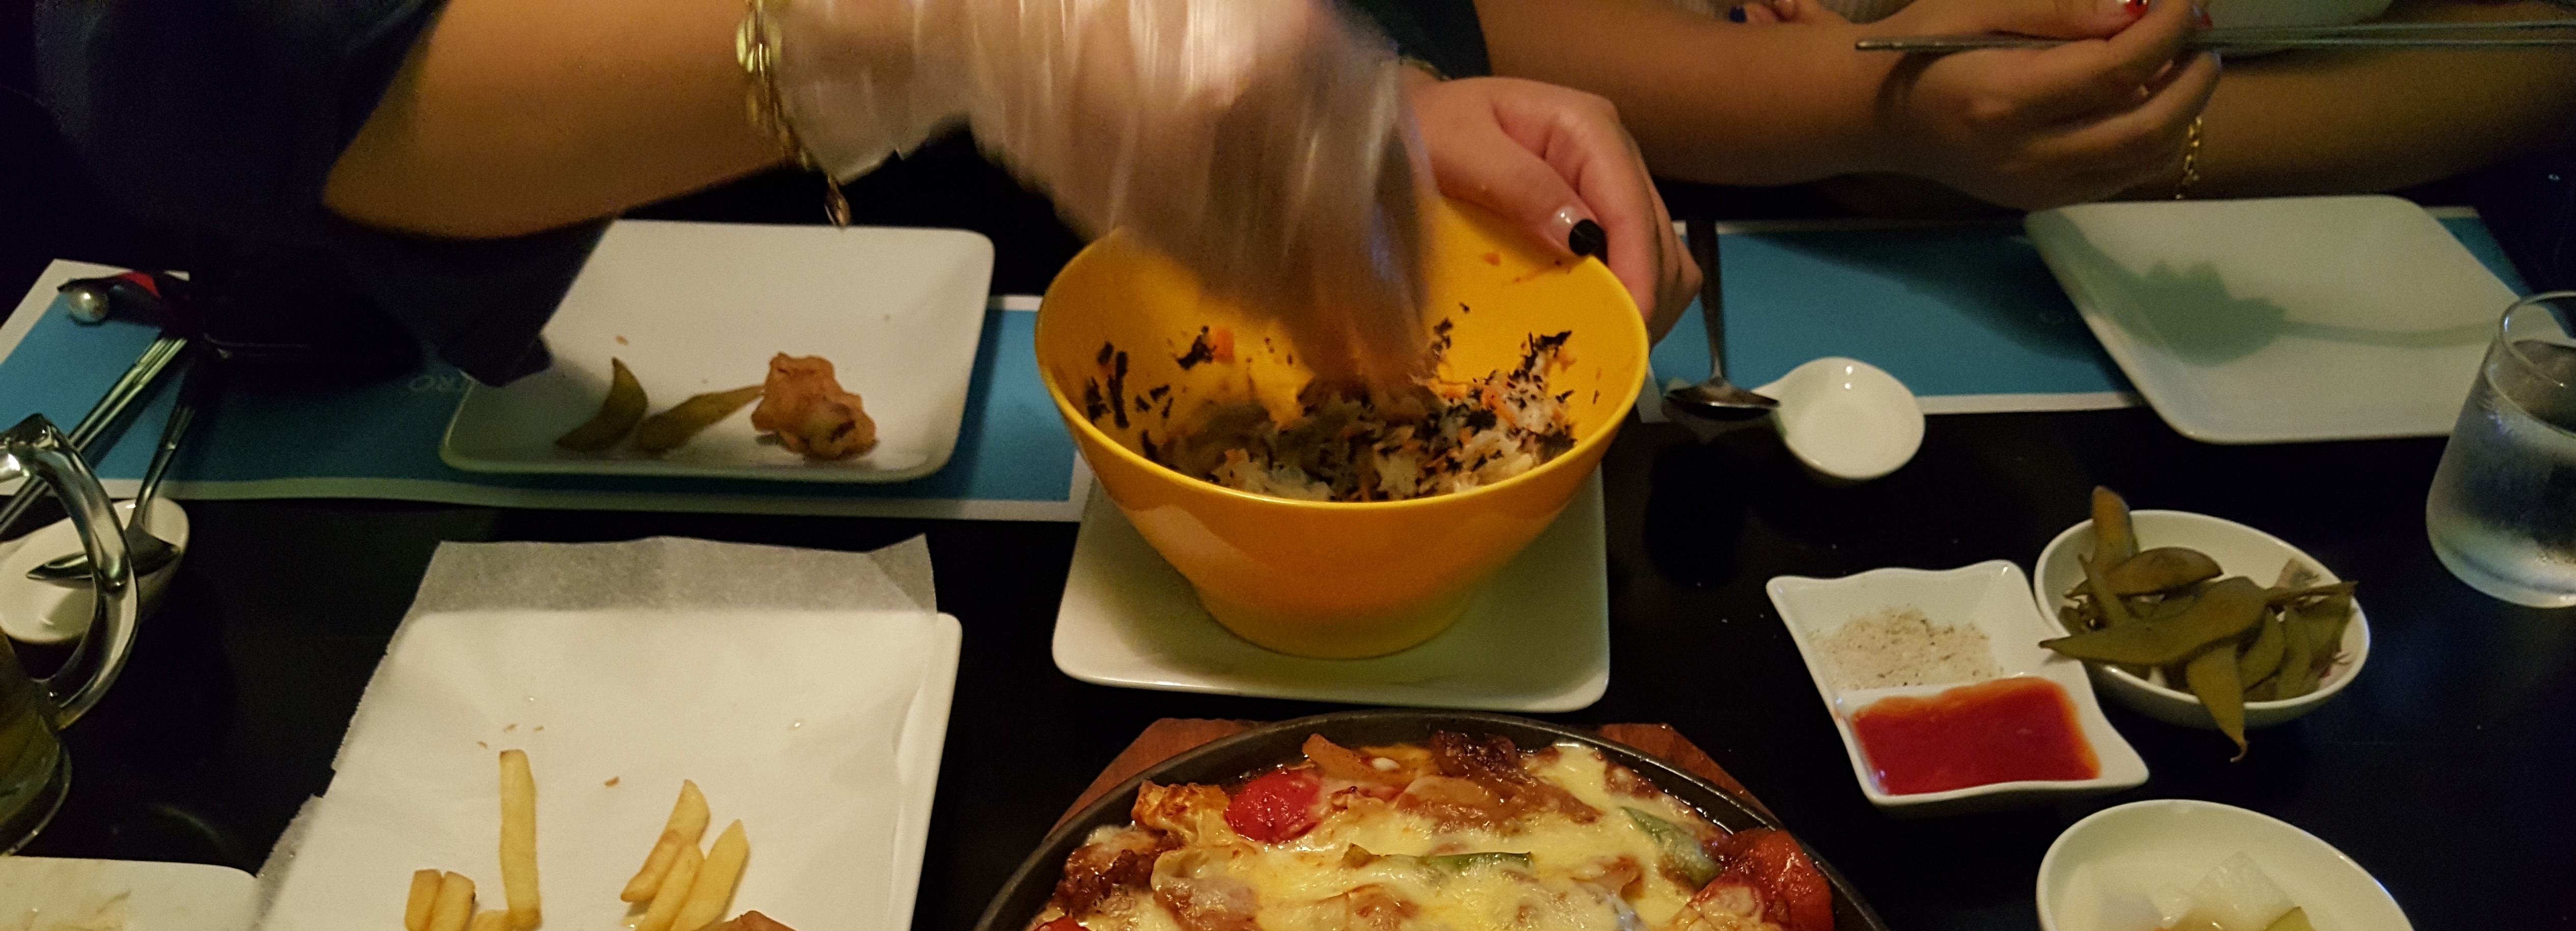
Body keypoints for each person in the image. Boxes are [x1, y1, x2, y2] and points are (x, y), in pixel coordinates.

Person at [36, 0, 1696, 385]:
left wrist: (1363, 87)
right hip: (530, 397)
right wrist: (946, 27)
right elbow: (203, 63)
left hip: (1031, 339)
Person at [1472, 0, 2576, 208]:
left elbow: (2575, 39)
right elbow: (1440, 19)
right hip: (1724, 213)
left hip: (2308, 252)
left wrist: (2128, 144)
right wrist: (1858, 108)